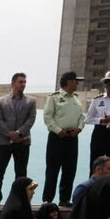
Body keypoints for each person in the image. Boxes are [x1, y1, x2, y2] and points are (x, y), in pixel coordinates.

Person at [0, 73, 37, 206]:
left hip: (23, 142)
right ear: (12, 83)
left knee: (21, 173)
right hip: (3, 142)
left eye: (24, 82)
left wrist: (19, 133)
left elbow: (31, 119)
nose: (23, 84)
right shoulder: (1, 101)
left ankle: (20, 200)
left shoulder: (31, 101)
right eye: (20, 82)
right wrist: (9, 134)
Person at [43, 71, 86, 206]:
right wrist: (58, 130)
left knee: (69, 170)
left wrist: (79, 128)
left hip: (72, 137)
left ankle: (65, 199)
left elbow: (82, 117)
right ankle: (48, 200)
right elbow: (48, 117)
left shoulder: (76, 98)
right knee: (52, 170)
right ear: (69, 82)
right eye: (76, 81)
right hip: (57, 138)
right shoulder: (54, 98)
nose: (77, 83)